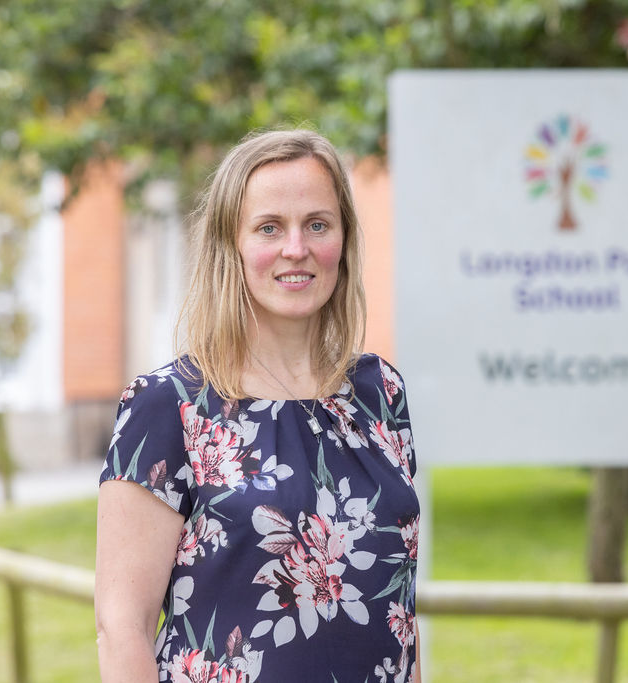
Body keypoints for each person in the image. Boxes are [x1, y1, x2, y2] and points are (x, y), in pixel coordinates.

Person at [95, 129, 421, 683]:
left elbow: (400, 619)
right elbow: (122, 625)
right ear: (232, 244)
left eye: (317, 224)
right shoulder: (169, 406)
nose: (297, 248)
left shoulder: (381, 394)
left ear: (343, 239)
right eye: (270, 228)